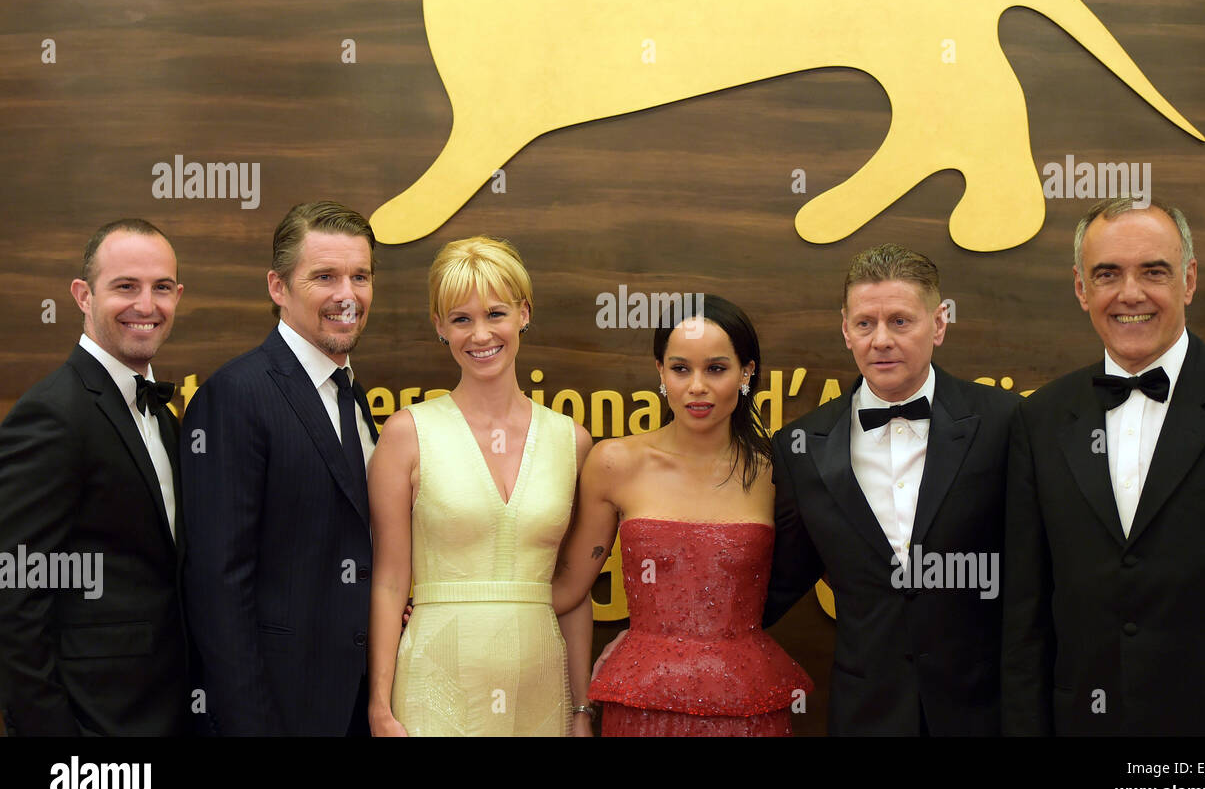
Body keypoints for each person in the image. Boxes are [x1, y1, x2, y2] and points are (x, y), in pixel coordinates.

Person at [1002, 198, 1205, 736]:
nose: (1130, 294)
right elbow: (1024, 617)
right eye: (1107, 274)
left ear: (1187, 281)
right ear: (1080, 288)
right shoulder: (1039, 418)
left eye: (1153, 272)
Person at [763, 244, 1020, 735]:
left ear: (939, 323)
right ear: (845, 328)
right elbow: (777, 582)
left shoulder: (1004, 422)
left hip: (984, 710)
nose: (880, 340)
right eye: (865, 324)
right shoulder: (800, 447)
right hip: (867, 712)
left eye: (900, 321)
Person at [554, 295, 812, 736]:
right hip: (641, 705)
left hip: (747, 708)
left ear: (746, 373)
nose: (697, 386)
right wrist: (445, 603)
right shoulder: (614, 462)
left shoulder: (779, 472)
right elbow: (568, 590)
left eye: (715, 368)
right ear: (660, 372)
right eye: (680, 369)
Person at [367, 236, 594, 737]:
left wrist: (581, 709)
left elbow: (576, 593)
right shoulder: (408, 434)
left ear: (523, 314)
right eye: (461, 318)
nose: (480, 333)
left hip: (540, 687)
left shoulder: (571, 442)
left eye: (495, 313)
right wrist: (379, 707)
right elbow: (387, 582)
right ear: (439, 327)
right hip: (435, 683)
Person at [182, 201, 380, 736]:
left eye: (359, 276)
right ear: (278, 287)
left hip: (357, 703)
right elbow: (217, 585)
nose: (347, 295)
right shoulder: (234, 396)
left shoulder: (351, 395)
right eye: (325, 276)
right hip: (277, 711)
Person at [0, 219, 191, 736]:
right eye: (125, 286)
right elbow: (14, 595)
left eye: (162, 288)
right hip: (92, 727)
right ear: (83, 296)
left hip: (166, 712)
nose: (147, 305)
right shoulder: (54, 414)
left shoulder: (165, 418)